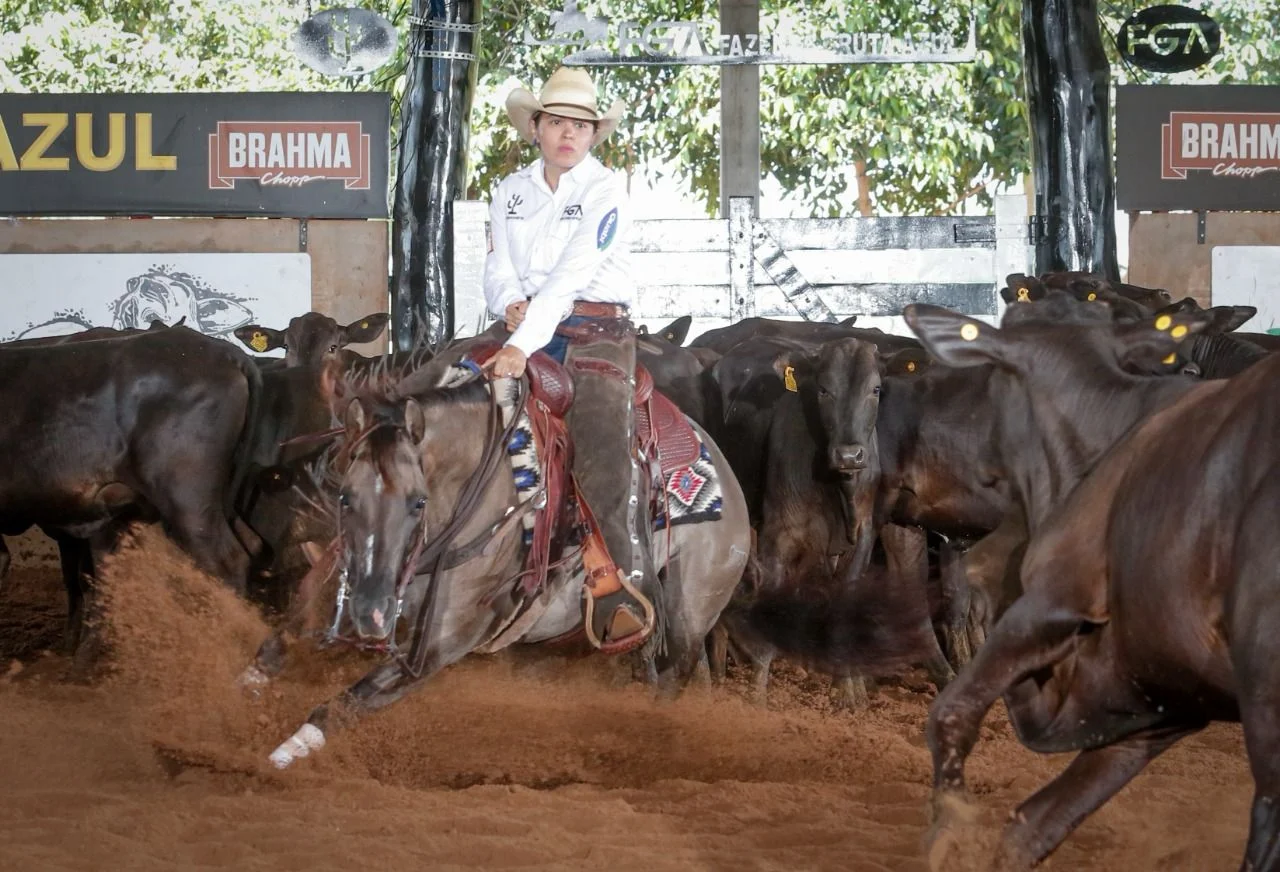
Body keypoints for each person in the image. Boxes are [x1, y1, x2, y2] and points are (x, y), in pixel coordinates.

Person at [481, 66, 656, 653]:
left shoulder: (606, 191)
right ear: (536, 127)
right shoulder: (510, 192)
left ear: (591, 135)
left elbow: (570, 277)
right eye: (556, 122)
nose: (567, 134)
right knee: (453, 394)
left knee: (603, 439)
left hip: (595, 331)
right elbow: (497, 265)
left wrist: (519, 343)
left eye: (580, 126)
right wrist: (507, 304)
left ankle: (618, 589)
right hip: (526, 325)